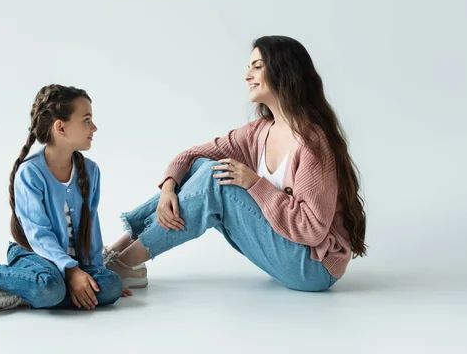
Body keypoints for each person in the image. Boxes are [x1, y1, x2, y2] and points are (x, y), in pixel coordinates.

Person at [103, 36, 367, 292]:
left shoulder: (312, 143)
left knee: (216, 179)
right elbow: (192, 156)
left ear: (284, 71)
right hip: (284, 250)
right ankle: (115, 253)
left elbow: (311, 230)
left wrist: (254, 184)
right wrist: (169, 188)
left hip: (313, 267)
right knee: (204, 166)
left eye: (257, 66)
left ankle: (124, 265)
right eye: (248, 67)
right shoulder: (259, 131)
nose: (247, 75)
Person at [0, 84, 131, 312]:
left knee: (111, 286)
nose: (94, 127)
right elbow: (38, 234)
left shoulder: (91, 171)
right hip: (30, 251)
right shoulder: (30, 172)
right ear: (60, 127)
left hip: (70, 262)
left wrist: (98, 277)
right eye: (86, 120)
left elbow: (91, 227)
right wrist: (71, 272)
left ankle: (17, 292)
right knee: (50, 288)